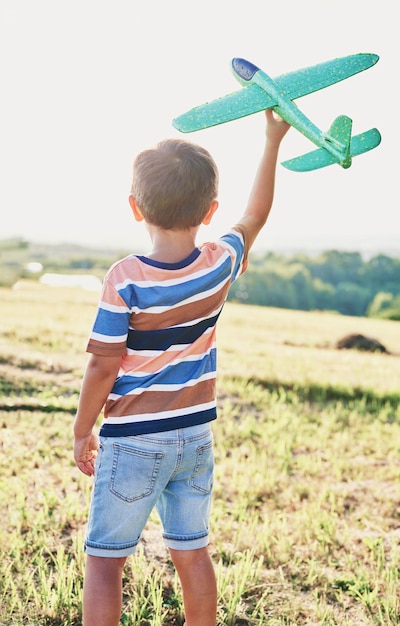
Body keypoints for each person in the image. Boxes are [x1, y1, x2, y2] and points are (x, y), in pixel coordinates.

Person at [73, 109, 290, 626]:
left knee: (105, 562)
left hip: (133, 440)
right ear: (210, 209)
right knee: (191, 552)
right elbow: (255, 216)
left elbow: (103, 365)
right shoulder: (218, 263)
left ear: (134, 207)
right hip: (194, 439)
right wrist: (272, 139)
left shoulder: (125, 278)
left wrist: (83, 428)